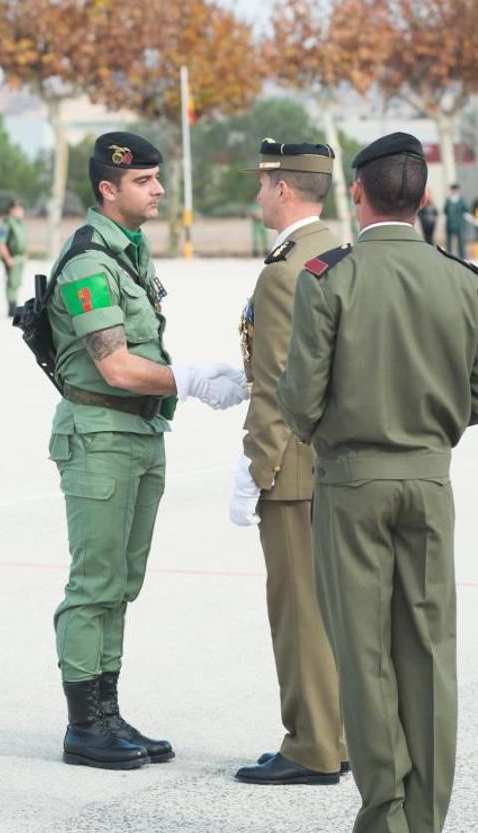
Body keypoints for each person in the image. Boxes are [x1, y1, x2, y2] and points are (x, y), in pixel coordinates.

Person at [277, 132, 478, 833]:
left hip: (350, 480)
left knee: (363, 655)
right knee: (428, 653)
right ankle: (425, 832)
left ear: (355, 195)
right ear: (422, 197)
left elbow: (298, 402)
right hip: (430, 478)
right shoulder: (464, 280)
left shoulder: (330, 277)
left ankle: (380, 824)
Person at [47, 132, 248, 771]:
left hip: (138, 434)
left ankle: (108, 711)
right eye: (144, 181)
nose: (158, 189)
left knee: (123, 582)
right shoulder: (88, 264)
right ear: (109, 188)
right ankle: (84, 726)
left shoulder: (130, 253)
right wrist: (189, 380)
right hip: (100, 435)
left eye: (158, 178)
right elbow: (115, 367)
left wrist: (182, 385)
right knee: (95, 583)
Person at [230, 139, 347, 787]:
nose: (256, 194)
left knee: (297, 607)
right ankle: (342, 732)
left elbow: (275, 385)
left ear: (282, 188)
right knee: (334, 608)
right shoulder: (337, 250)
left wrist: (256, 469)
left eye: (262, 183)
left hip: (293, 470)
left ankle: (309, 744)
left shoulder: (282, 270)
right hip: (335, 460)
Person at [0, 200, 27, 317]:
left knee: (16, 283)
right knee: (12, 283)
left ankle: (14, 306)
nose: (21, 212)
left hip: (19, 257)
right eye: (19, 209)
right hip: (12, 257)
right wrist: (7, 257)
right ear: (12, 210)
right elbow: (1, 242)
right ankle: (11, 309)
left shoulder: (19, 223)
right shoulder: (6, 224)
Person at [444, 182, 469, 258]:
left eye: (455, 189)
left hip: (459, 224)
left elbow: (466, 210)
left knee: (461, 242)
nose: (454, 191)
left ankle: (462, 257)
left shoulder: (461, 200)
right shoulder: (448, 200)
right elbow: (445, 210)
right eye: (453, 190)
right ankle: (449, 256)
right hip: (450, 224)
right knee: (449, 242)